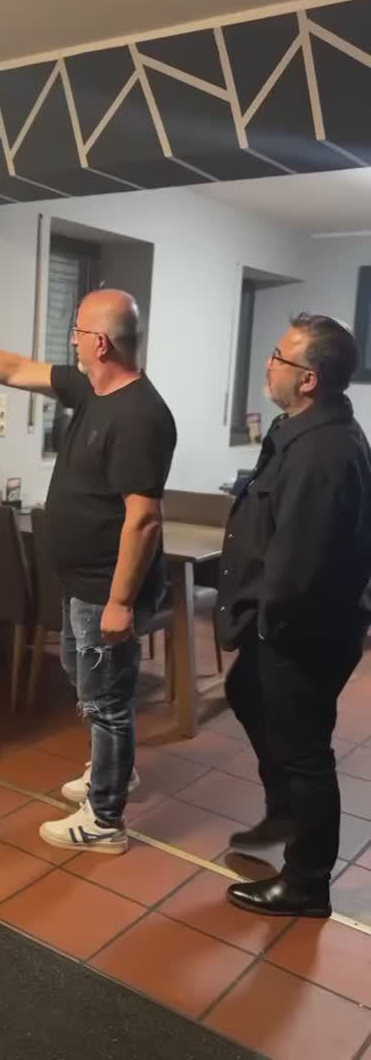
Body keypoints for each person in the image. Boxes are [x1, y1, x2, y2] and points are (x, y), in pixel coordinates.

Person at [0, 288, 177, 855]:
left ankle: (104, 820)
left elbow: (144, 520)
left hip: (106, 589)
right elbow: (14, 368)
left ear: (101, 343)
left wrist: (120, 603)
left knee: (107, 700)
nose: (71, 339)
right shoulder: (90, 389)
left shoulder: (140, 416)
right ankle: (113, 767)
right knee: (89, 687)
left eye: (77, 330)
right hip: (79, 583)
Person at [218, 313, 371, 918]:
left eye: (279, 357)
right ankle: (284, 809)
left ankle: (307, 883)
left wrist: (268, 624)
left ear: (308, 379)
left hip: (301, 632)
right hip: (285, 626)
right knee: (245, 691)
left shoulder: (324, 452)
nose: (268, 364)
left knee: (306, 750)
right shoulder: (298, 428)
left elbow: (300, 564)